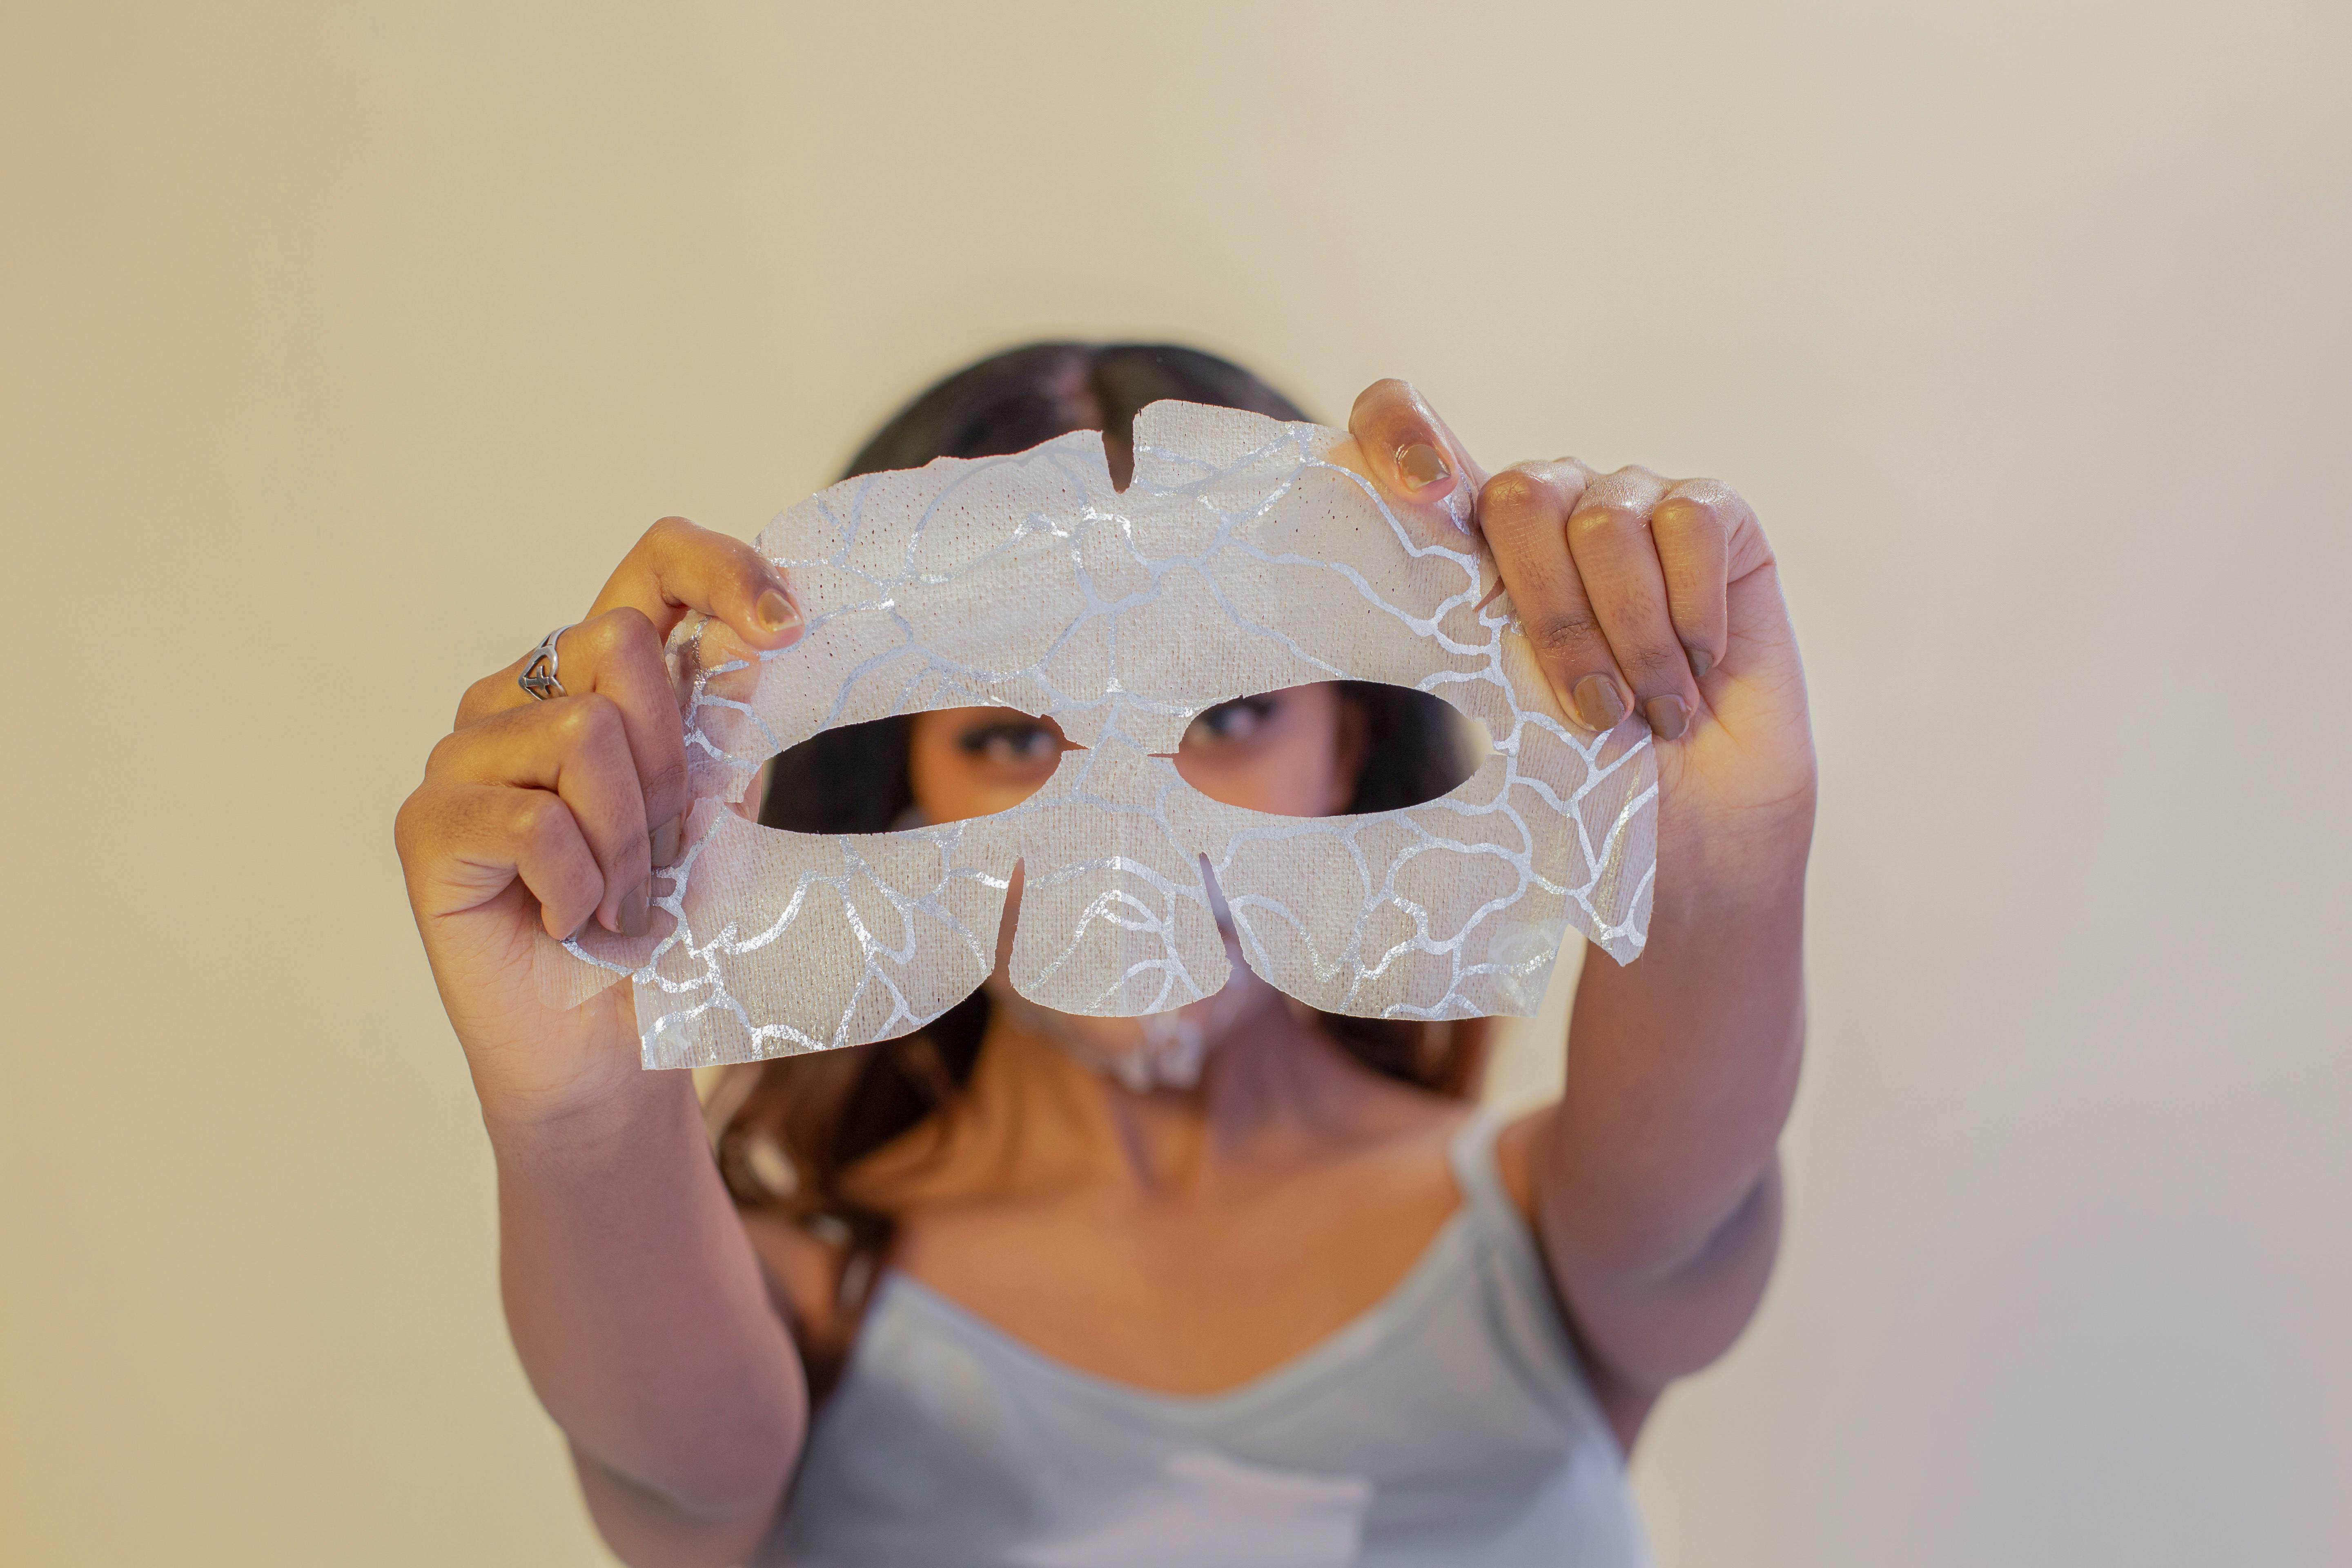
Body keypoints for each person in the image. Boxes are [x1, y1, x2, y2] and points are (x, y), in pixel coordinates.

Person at [394, 343, 1816, 1566]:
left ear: (1355, 737)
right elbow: (668, 1463)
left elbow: (1686, 1213)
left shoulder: (1551, 1242)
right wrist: (576, 1081)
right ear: (901, 787)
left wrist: (1718, 837)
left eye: (1234, 708)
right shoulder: (793, 1309)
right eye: (1012, 736)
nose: (1130, 828)